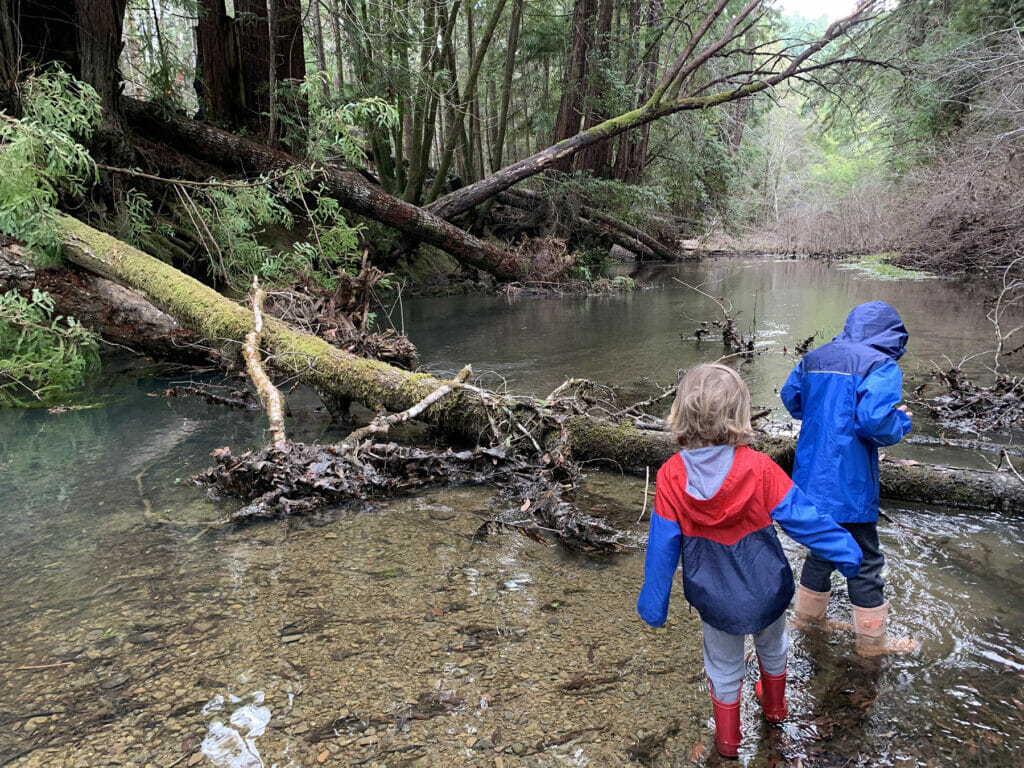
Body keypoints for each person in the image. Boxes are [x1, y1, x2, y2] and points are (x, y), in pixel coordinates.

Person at [637, 363, 863, 759]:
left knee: (723, 668)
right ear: (739, 414)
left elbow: (662, 548)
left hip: (715, 597)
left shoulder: (672, 475)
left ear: (681, 413)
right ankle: (775, 710)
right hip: (767, 588)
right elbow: (804, 519)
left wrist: (654, 603)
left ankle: (727, 743)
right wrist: (846, 552)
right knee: (774, 647)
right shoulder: (758, 467)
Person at [780, 300, 917, 656]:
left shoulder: (816, 357)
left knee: (822, 549)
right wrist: (901, 420)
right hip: (850, 484)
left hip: (810, 478)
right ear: (891, 335)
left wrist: (820, 413)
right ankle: (873, 645)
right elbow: (874, 422)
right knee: (866, 562)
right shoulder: (880, 364)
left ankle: (807, 624)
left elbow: (791, 397)